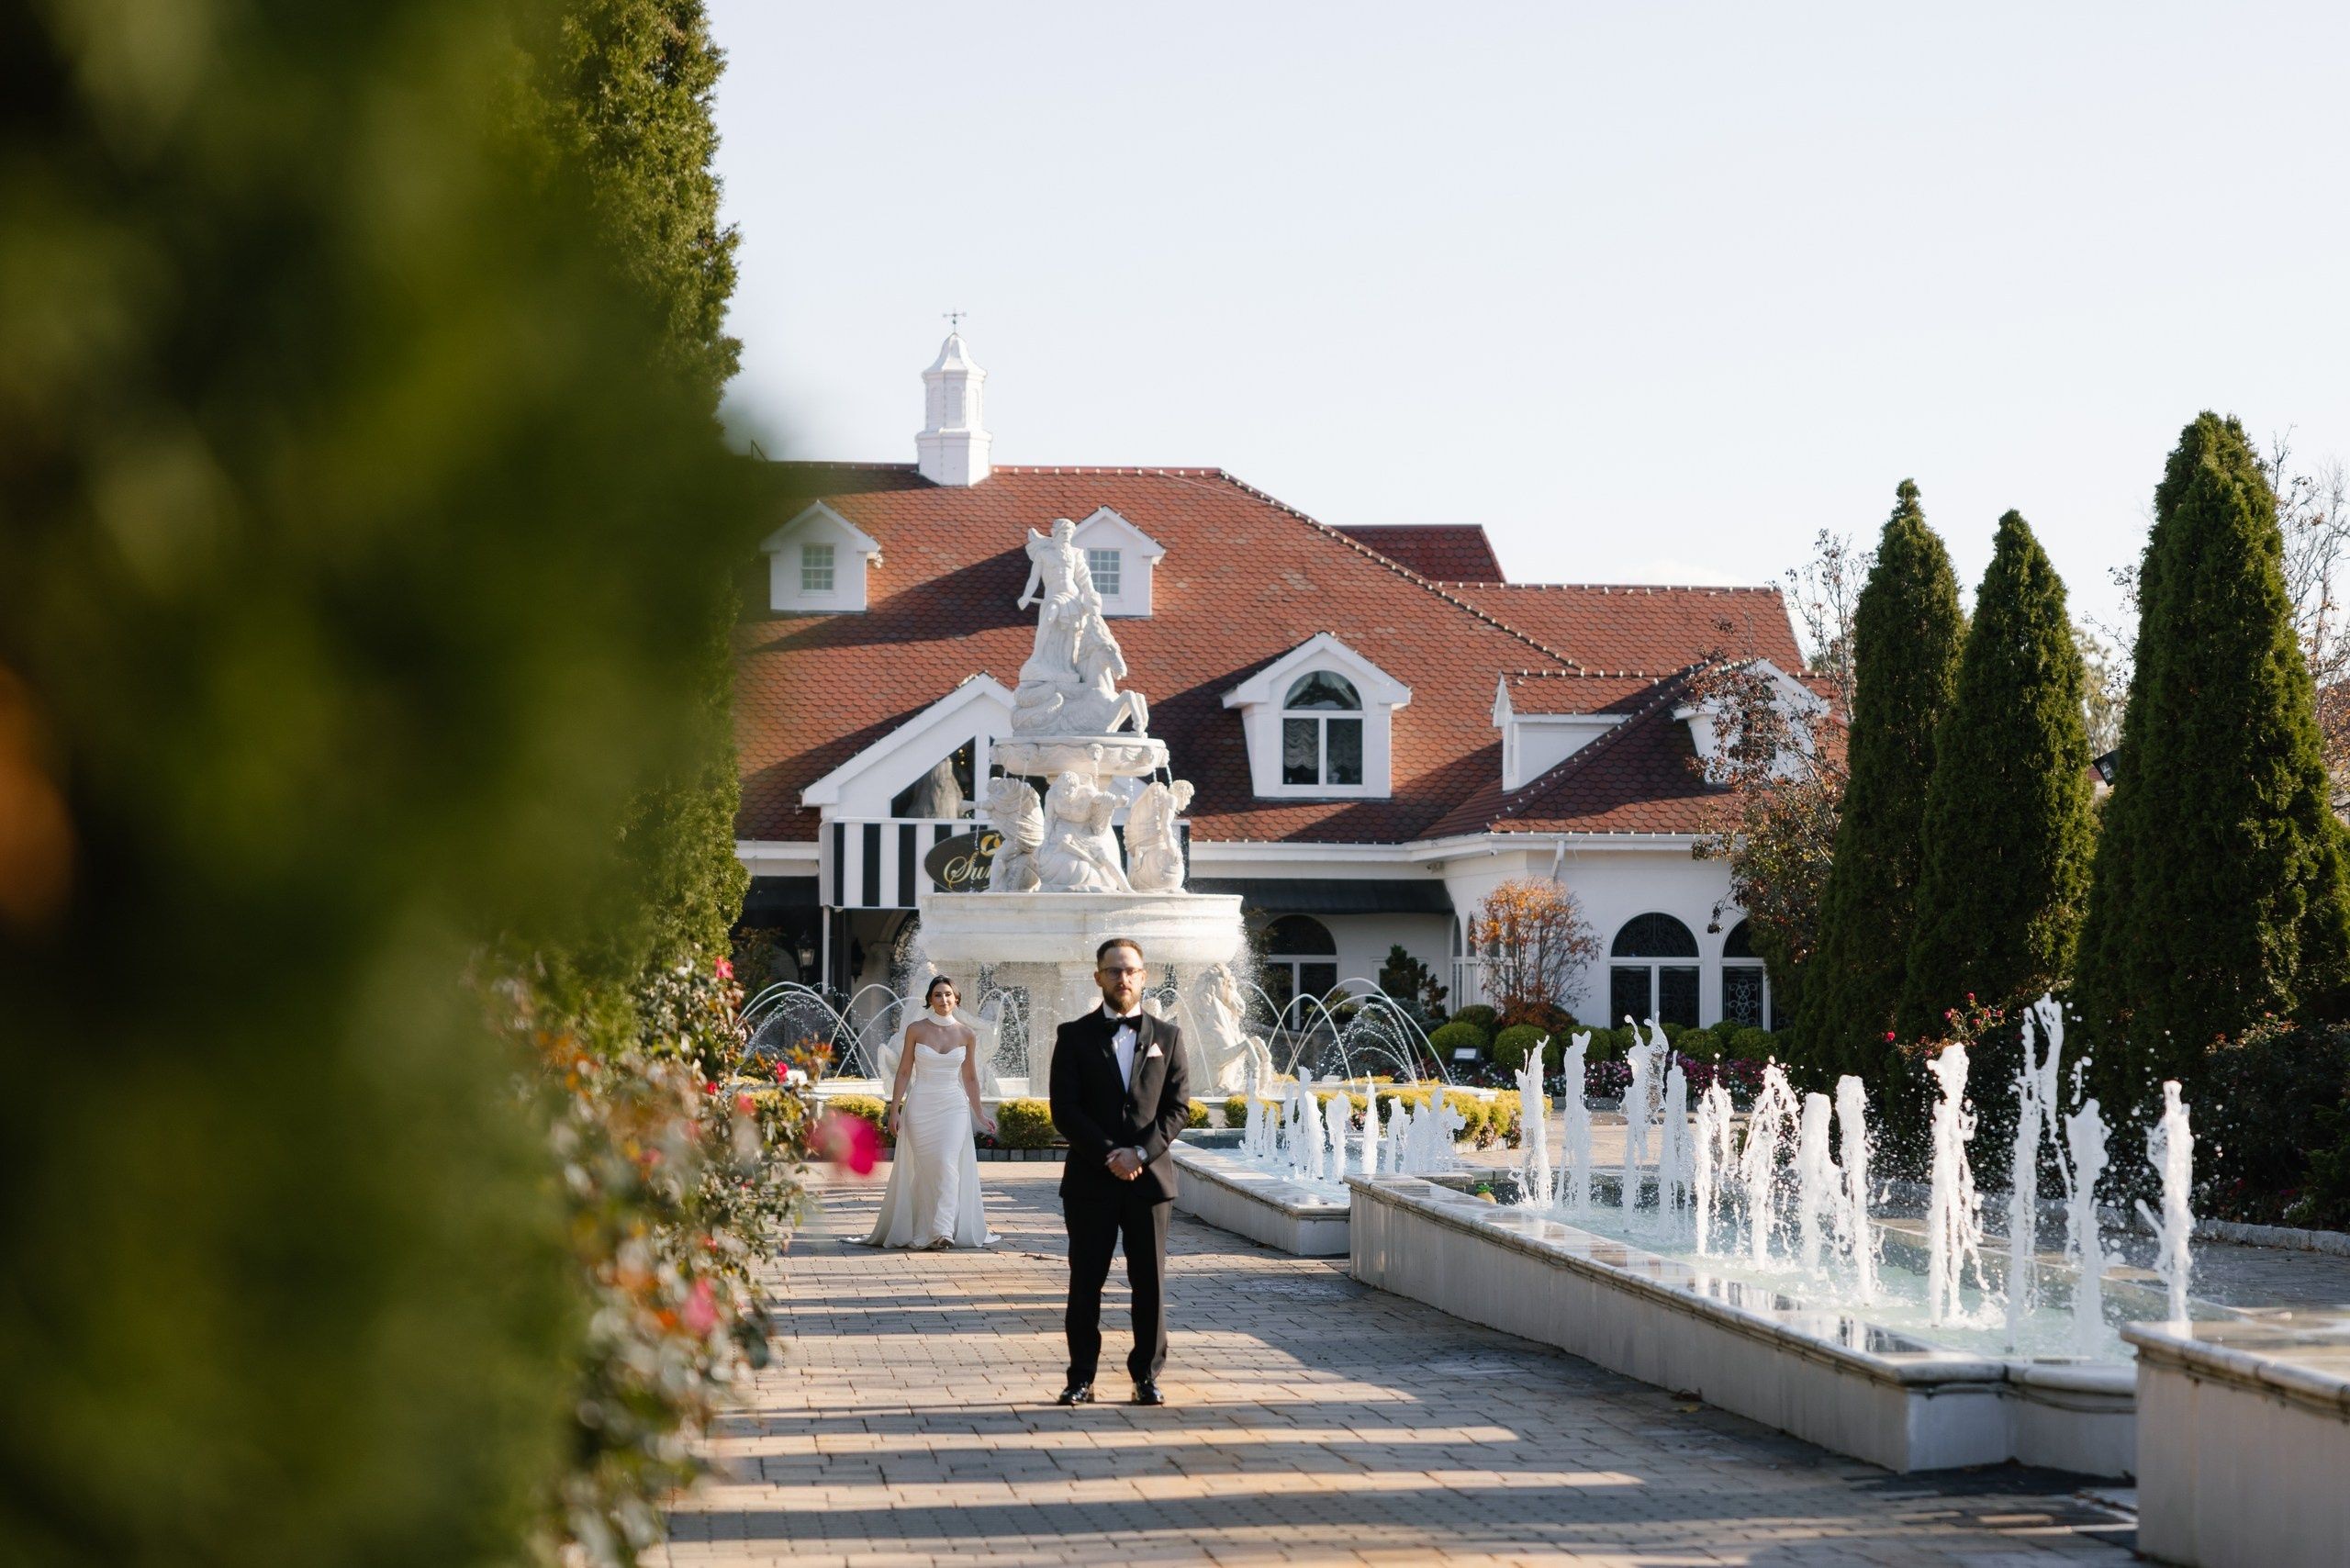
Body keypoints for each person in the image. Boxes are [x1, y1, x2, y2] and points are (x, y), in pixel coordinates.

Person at [1048, 937, 1191, 1406]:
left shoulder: (1169, 1036)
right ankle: (1081, 1378)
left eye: (1130, 970)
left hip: (1150, 1183)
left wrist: (1141, 1153)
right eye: (1113, 971)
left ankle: (1146, 1376)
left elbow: (1178, 1109)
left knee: (1149, 1284)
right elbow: (1064, 1109)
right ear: (1098, 977)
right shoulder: (1073, 1035)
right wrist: (1112, 1154)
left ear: (1143, 976)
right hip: (1091, 1180)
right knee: (1085, 1283)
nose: (1122, 978)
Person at [862, 976, 997, 1249]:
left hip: (954, 1106)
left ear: (956, 999)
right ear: (930, 1000)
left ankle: (943, 1229)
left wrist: (980, 1113)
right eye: (938, 995)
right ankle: (922, 1225)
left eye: (948, 994)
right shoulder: (916, 1030)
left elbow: (970, 1077)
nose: (943, 999)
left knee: (946, 1163)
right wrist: (894, 1110)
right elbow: (903, 1071)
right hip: (920, 1105)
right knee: (927, 1169)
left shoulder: (967, 1034)